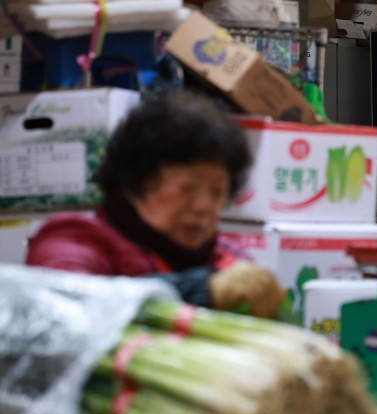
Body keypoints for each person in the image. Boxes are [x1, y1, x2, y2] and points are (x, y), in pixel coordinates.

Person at [26, 90, 285, 318]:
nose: (204, 207)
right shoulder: (73, 242)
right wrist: (200, 291)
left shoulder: (228, 261)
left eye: (218, 192)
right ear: (136, 182)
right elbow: (67, 313)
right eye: (187, 189)